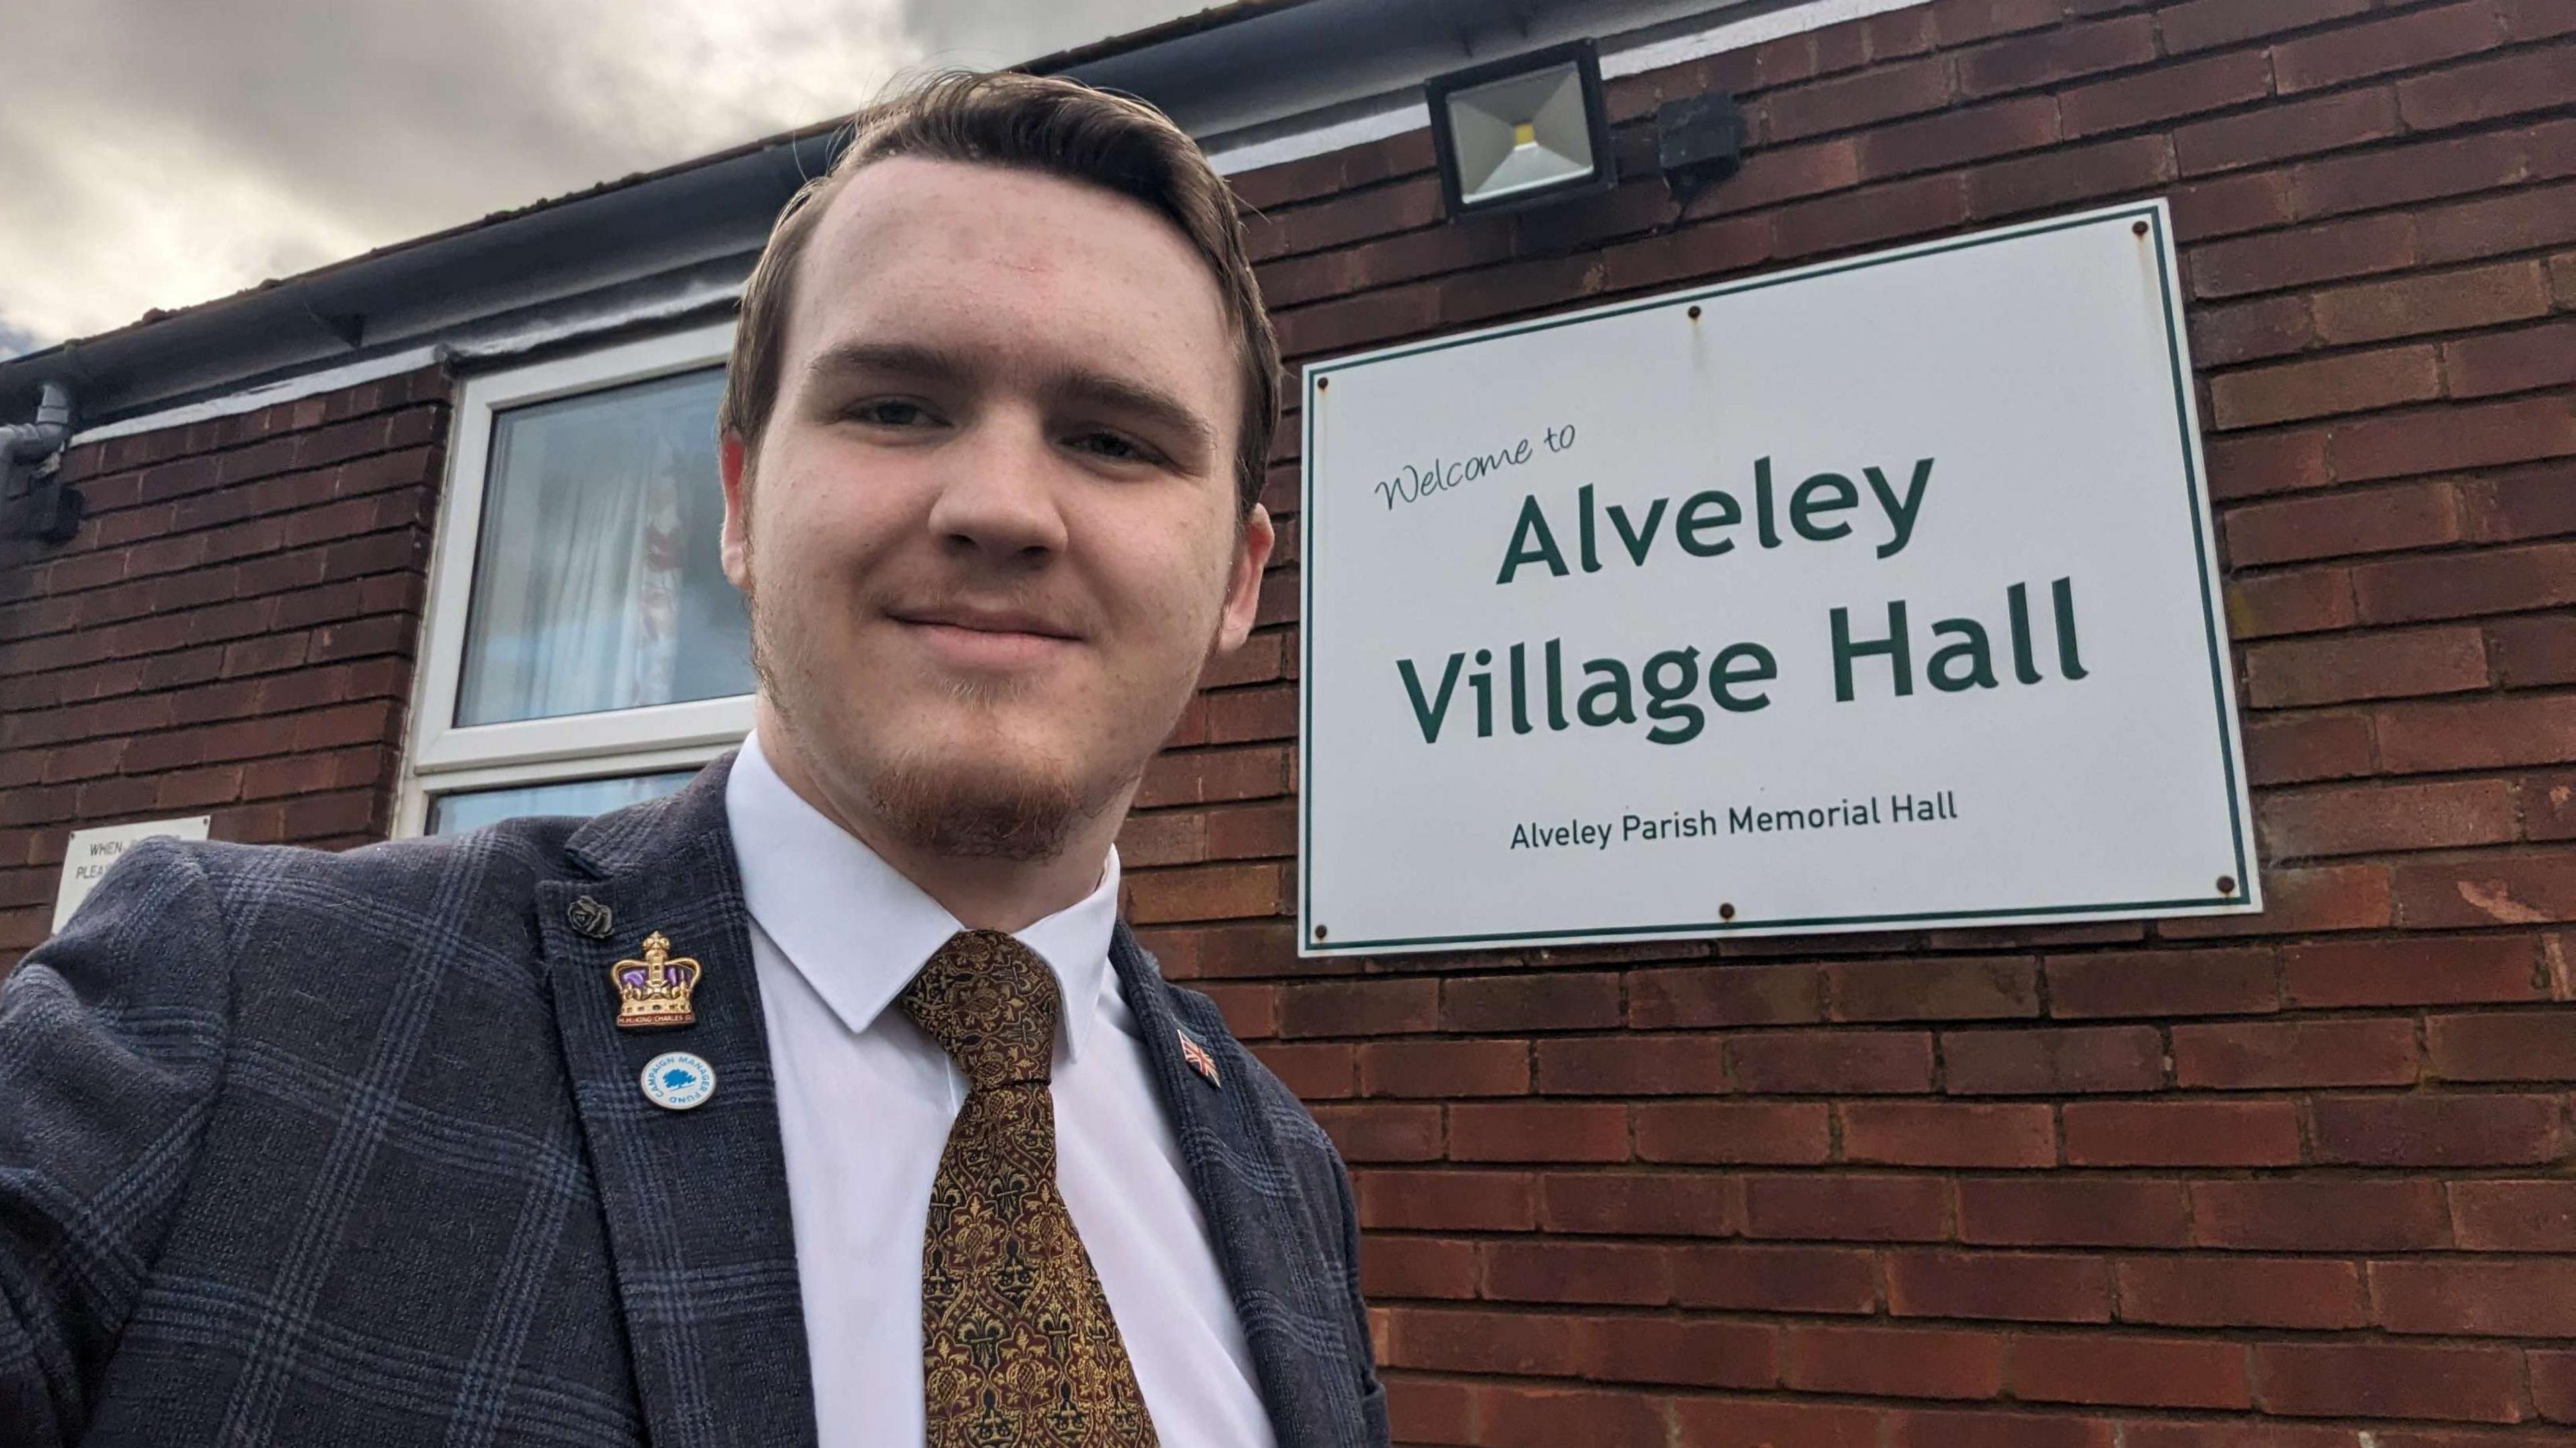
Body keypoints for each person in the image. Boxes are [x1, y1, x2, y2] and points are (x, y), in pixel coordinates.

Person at [0, 70, 1385, 1448]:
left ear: (1238, 581)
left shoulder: (1285, 1175)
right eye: (897, 407)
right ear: (739, 502)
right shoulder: (242, 1004)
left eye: (1112, 440)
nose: (1002, 508)